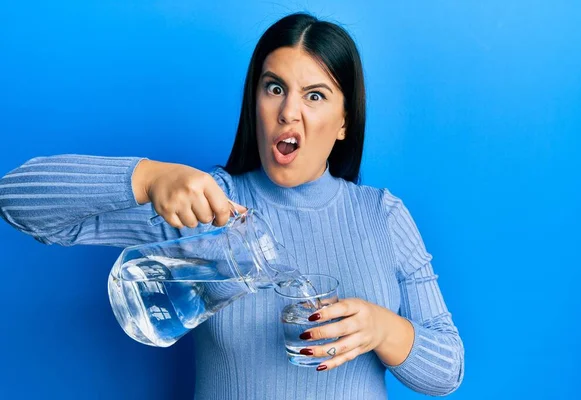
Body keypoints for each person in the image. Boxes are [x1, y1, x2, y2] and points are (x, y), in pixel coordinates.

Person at [0, 12, 464, 399]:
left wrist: (384, 330)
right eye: (274, 88)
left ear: (344, 122)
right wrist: (145, 177)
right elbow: (15, 199)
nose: (289, 112)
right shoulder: (207, 206)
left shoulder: (381, 215)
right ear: (255, 103)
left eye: (315, 95)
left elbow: (447, 373)